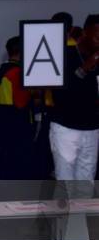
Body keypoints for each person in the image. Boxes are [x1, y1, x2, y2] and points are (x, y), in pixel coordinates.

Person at [50, 14, 99, 181]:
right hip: (66, 126)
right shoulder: (65, 54)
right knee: (65, 180)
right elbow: (60, 90)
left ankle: (83, 209)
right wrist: (85, 68)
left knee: (87, 179)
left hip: (92, 127)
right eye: (97, 36)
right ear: (85, 33)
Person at [0, 36, 33, 179]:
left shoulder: (0, 70)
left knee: (5, 155)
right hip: (17, 118)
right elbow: (21, 102)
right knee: (17, 158)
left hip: (3, 116)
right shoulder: (17, 72)